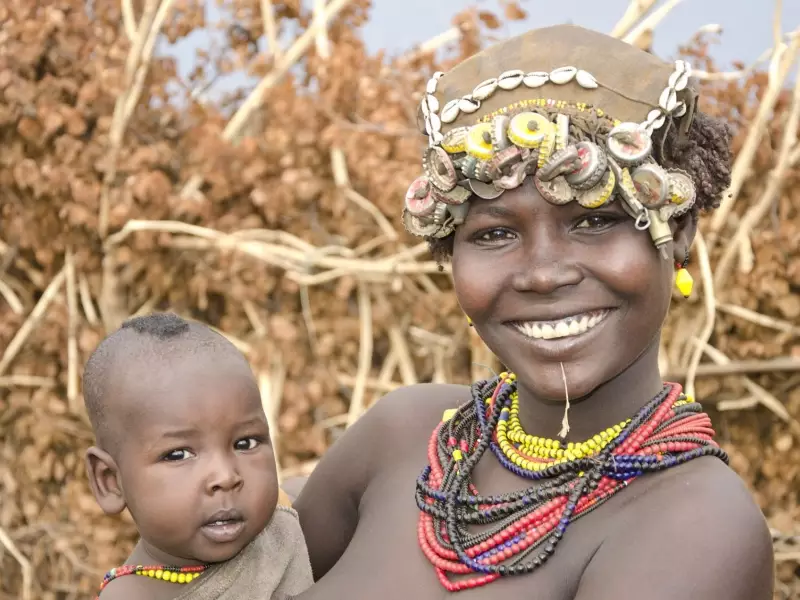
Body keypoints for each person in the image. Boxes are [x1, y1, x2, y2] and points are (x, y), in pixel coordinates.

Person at [293, 24, 774, 600]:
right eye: (495, 233)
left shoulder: (696, 527)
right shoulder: (406, 436)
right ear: (448, 249)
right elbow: (212, 563)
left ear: (679, 233)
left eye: (595, 221)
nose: (544, 274)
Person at [82, 313, 313, 600]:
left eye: (245, 442)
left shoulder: (288, 519)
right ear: (110, 481)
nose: (226, 476)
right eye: (178, 454)